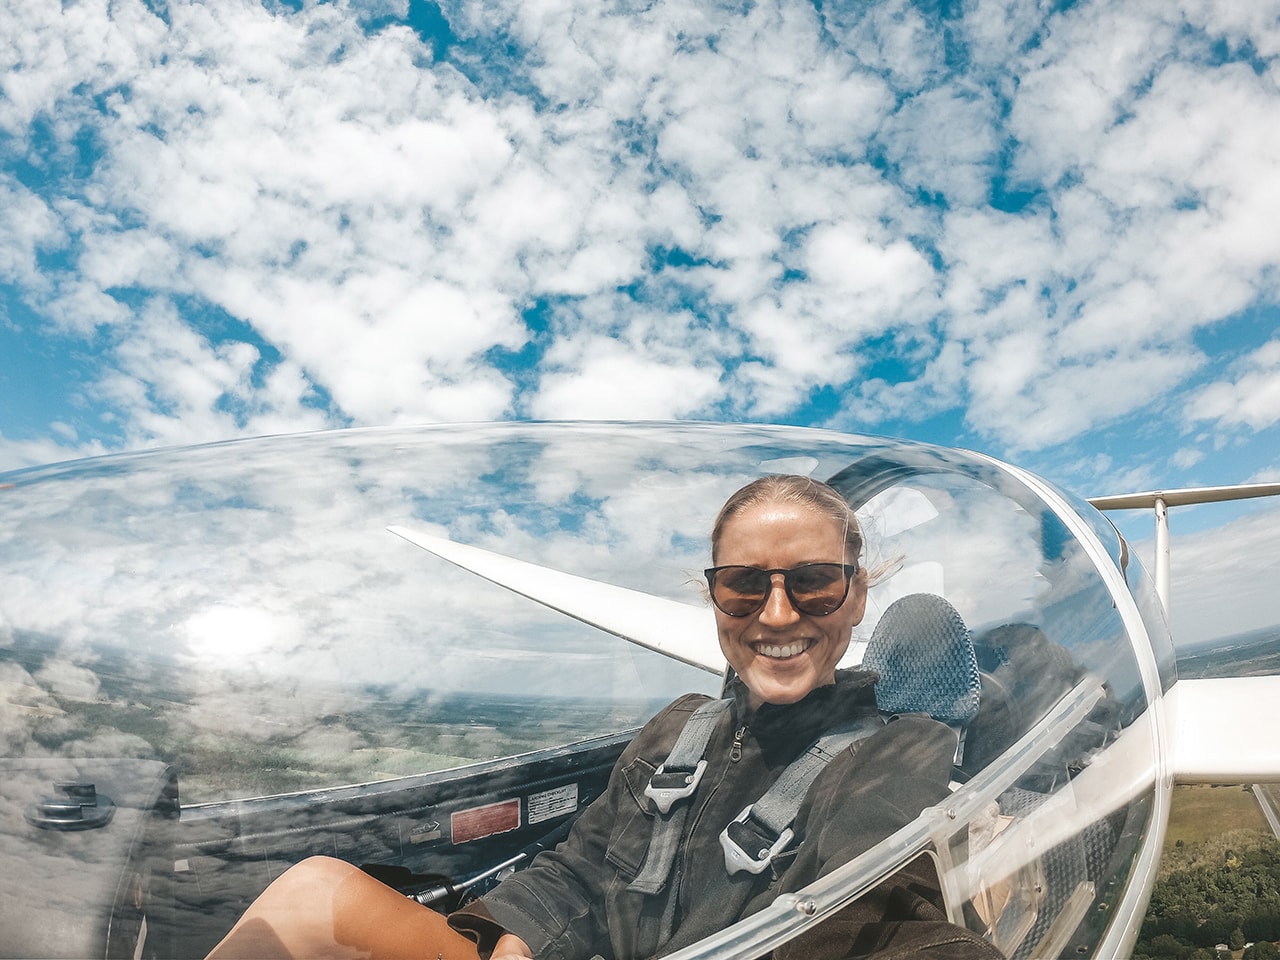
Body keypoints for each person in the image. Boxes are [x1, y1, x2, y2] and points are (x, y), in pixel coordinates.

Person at [206, 475, 1000, 960]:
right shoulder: (680, 728)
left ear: (858, 595)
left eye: (816, 582)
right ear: (714, 596)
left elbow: (891, 923)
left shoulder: (897, 750)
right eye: (744, 586)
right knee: (314, 894)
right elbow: (582, 870)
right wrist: (505, 935)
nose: (777, 612)